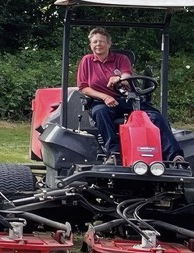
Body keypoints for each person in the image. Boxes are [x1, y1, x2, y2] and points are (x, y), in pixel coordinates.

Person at [77, 27, 181, 162]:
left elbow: (126, 74)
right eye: (95, 42)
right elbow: (84, 87)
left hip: (126, 99)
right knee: (100, 112)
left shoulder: (121, 59)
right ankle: (113, 153)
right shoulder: (87, 61)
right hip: (101, 101)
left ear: (109, 44)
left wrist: (119, 79)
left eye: (101, 41)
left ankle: (174, 156)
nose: (98, 44)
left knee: (156, 117)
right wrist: (105, 97)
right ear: (90, 45)